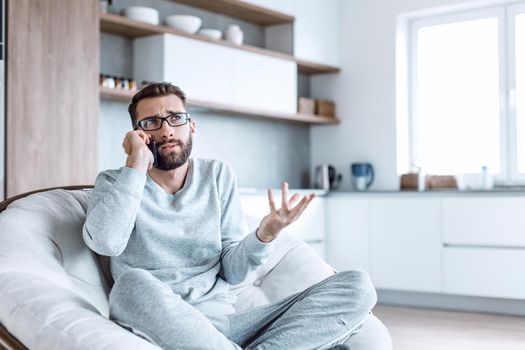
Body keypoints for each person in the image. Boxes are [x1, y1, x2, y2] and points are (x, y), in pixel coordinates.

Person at [83, 82, 377, 350]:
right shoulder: (115, 183)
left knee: (357, 286)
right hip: (162, 321)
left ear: (191, 126)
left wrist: (265, 234)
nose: (166, 130)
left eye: (175, 118)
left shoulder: (217, 175)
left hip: (227, 326)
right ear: (136, 134)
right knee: (130, 286)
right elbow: (106, 243)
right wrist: (136, 163)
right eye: (151, 123)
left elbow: (233, 271)